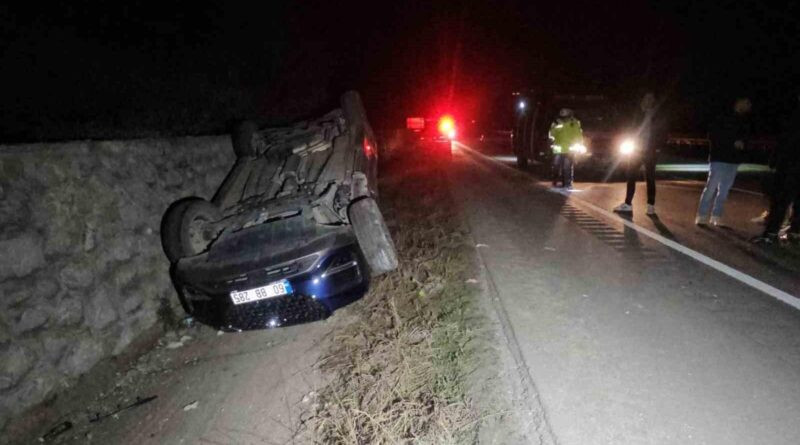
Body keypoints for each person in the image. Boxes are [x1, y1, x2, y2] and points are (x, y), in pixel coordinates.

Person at [695, 97, 752, 226]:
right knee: (711, 187)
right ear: (739, 102)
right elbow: (713, 134)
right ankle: (702, 214)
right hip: (719, 158)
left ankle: (716, 215)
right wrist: (732, 142)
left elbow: (746, 139)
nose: (749, 106)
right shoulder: (723, 116)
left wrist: (743, 146)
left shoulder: (744, 121)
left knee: (725, 190)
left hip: (733, 160)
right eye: (747, 103)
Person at [752, 96, 800, 243]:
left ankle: (771, 234)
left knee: (780, 200)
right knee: (796, 201)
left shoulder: (794, 116)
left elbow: (786, 139)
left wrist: (774, 160)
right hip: (792, 163)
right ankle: (795, 232)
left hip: (790, 164)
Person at [613, 92, 667, 215]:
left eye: (650, 99)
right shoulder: (637, 115)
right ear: (642, 100)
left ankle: (650, 205)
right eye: (646, 98)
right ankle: (628, 204)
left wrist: (658, 148)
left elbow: (663, 132)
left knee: (650, 178)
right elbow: (629, 128)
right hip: (636, 150)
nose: (648, 101)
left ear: (653, 101)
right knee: (631, 177)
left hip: (650, 151)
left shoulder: (656, 115)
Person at [549, 108, 583, 189]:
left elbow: (578, 134)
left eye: (566, 116)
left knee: (567, 166)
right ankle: (555, 180)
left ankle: (567, 183)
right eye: (563, 117)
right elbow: (551, 134)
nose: (564, 118)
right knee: (556, 166)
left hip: (569, 149)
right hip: (558, 149)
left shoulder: (574, 123)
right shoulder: (556, 123)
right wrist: (551, 141)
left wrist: (580, 144)